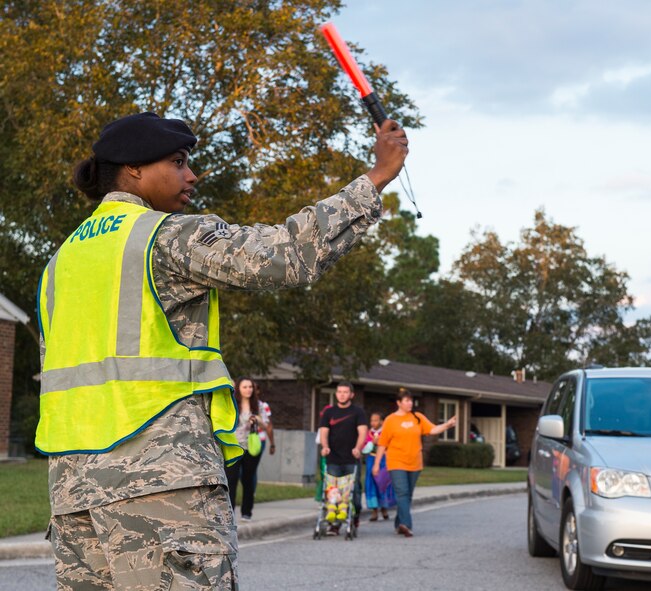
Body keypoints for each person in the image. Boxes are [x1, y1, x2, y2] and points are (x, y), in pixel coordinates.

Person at [35, 111, 407, 589]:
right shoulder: (164, 236)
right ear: (133, 168)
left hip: (73, 496)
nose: (192, 176)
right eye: (179, 161)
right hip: (162, 486)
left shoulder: (58, 263)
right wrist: (376, 177)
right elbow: (288, 253)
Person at [373, 388, 457, 537]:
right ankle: (406, 525)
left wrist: (447, 425)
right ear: (399, 403)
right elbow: (382, 443)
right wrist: (376, 463)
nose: (410, 403)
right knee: (402, 493)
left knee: (407, 495)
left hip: (415, 463)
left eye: (411, 400)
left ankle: (399, 523)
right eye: (406, 400)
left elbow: (432, 430)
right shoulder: (390, 420)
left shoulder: (417, 417)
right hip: (396, 461)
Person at [318, 381, 368, 534]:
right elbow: (324, 432)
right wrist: (324, 447)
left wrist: (358, 448)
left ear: (351, 394)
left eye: (345, 392)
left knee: (355, 493)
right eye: (339, 392)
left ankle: (355, 515)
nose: (342, 395)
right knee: (334, 493)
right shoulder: (329, 412)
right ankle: (335, 524)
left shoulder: (358, 412)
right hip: (333, 459)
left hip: (351, 459)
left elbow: (363, 432)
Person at [224, 378, 270, 520]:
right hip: (234, 446)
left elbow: (266, 425)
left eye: (250, 386)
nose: (248, 389)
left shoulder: (259, 405)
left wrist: (257, 420)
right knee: (231, 479)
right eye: (245, 387)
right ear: (238, 388)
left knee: (248, 479)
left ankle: (246, 512)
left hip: (250, 447)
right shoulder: (231, 404)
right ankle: (230, 512)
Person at [364, 412, 396, 521]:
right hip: (371, 459)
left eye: (376, 420)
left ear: (382, 421)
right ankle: (374, 510)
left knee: (383, 483)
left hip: (384, 460)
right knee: (371, 483)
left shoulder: (386, 432)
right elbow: (365, 449)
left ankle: (384, 507)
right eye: (371, 420)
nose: (373, 423)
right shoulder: (368, 434)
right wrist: (372, 443)